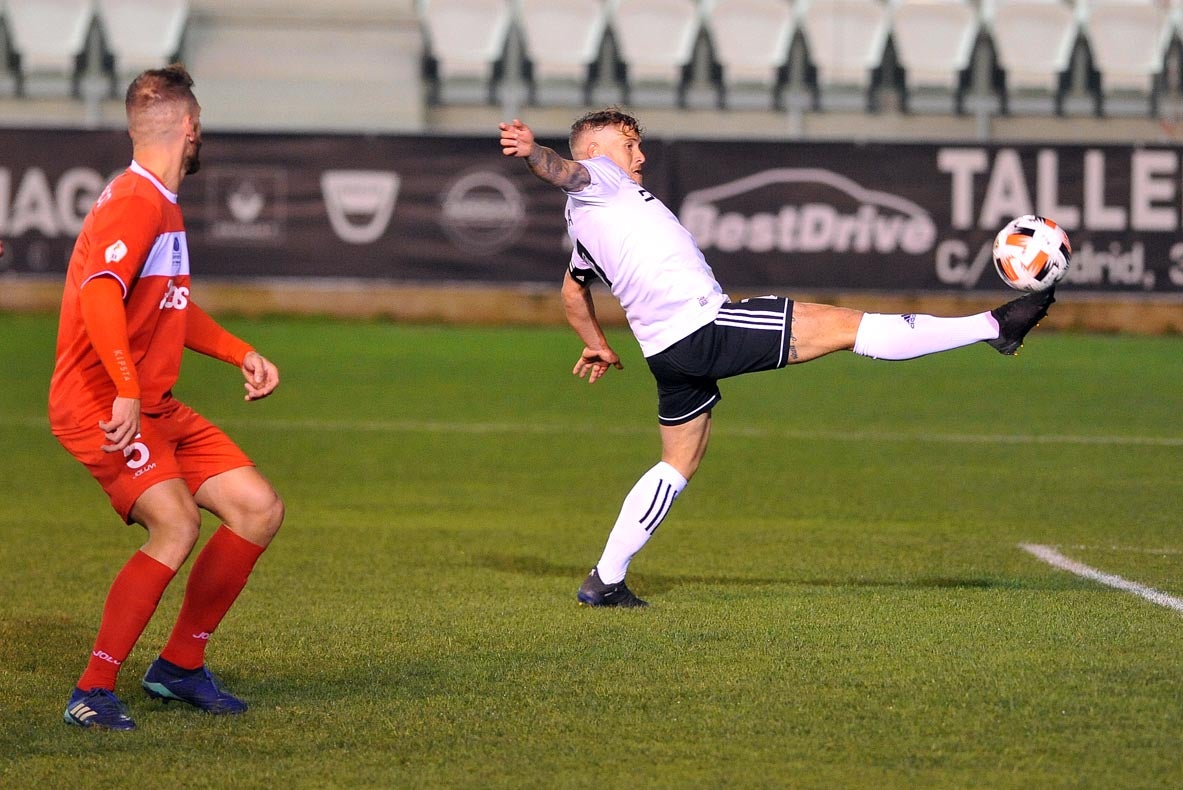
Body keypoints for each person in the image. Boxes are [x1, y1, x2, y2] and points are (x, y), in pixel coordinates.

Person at [498, 108, 1055, 608]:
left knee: (677, 463)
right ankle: (993, 327)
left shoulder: (586, 222)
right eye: (628, 144)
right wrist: (535, 154)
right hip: (704, 326)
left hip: (667, 353)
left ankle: (605, 579)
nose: (639, 155)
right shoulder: (600, 179)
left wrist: (595, 342)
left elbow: (574, 293)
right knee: (843, 326)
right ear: (596, 152)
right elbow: (562, 170)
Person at [50, 64, 284, 730]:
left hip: (151, 402)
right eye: (199, 122)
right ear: (189, 127)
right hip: (100, 402)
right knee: (177, 524)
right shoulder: (137, 200)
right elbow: (99, 293)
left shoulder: (157, 202)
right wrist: (124, 387)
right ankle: (91, 690)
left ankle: (179, 667)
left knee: (257, 509)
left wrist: (241, 351)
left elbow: (168, 310)